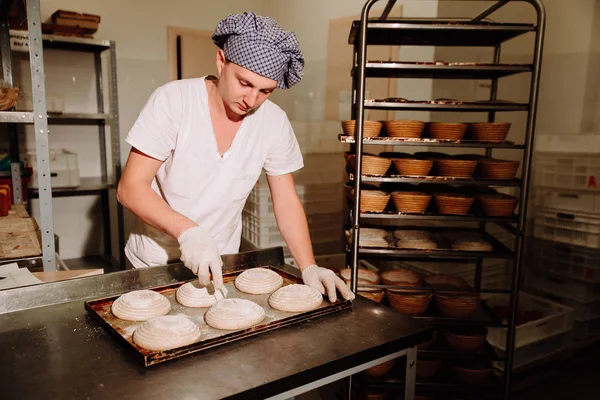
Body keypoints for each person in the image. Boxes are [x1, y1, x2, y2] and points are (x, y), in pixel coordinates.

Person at [117, 11, 354, 303]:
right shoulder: (174, 102)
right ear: (221, 61)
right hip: (152, 262)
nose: (251, 100)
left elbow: (286, 201)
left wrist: (309, 265)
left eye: (265, 90)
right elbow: (130, 188)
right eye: (244, 83)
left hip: (220, 263)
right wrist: (188, 233)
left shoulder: (273, 122)